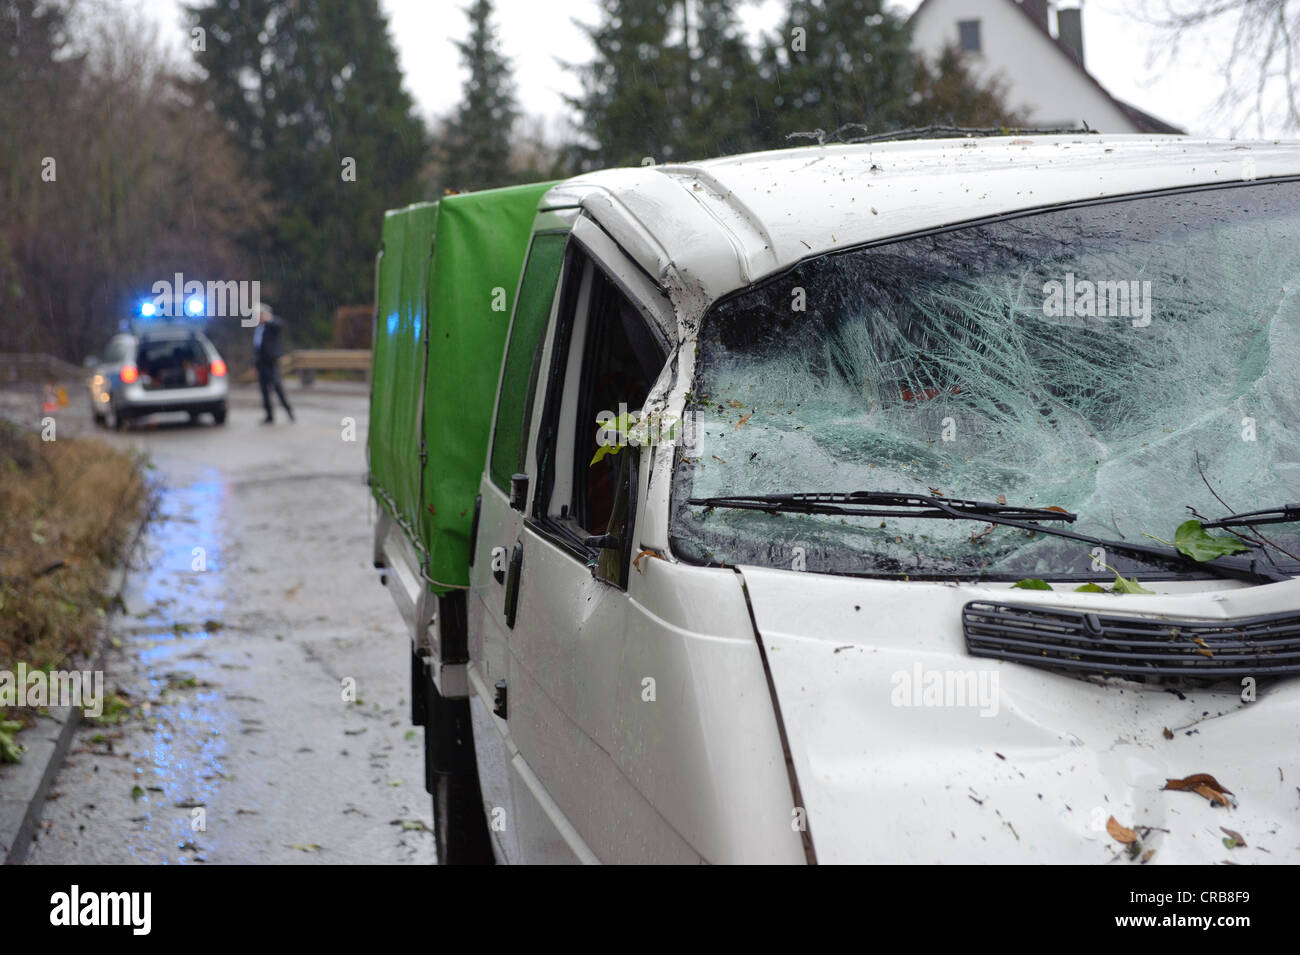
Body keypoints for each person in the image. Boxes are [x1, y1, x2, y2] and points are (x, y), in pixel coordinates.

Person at [253, 303, 294, 424]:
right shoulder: (259, 329)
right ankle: (269, 415)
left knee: (278, 388)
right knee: (264, 391)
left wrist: (269, 318)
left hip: (271, 363)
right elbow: (257, 347)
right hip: (261, 364)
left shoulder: (271, 326)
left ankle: (289, 412)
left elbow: (279, 324)